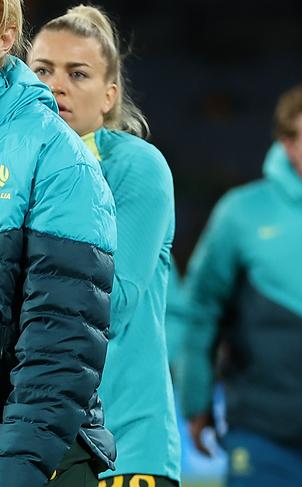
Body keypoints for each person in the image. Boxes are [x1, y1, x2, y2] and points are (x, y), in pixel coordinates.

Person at [178, 82, 302, 486]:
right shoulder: (241, 212)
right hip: (262, 434)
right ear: (290, 146)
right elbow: (200, 310)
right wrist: (196, 400)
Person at [29, 5, 181, 486]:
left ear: (109, 96)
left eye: (78, 74)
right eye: (43, 71)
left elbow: (111, 306)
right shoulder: (13, 170)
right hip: (37, 442)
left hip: (125, 446)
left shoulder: (137, 168)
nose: (57, 86)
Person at [0, 1, 117, 486]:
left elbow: (62, 339)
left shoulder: (58, 158)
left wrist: (18, 465)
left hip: (35, 452)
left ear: (5, 37)